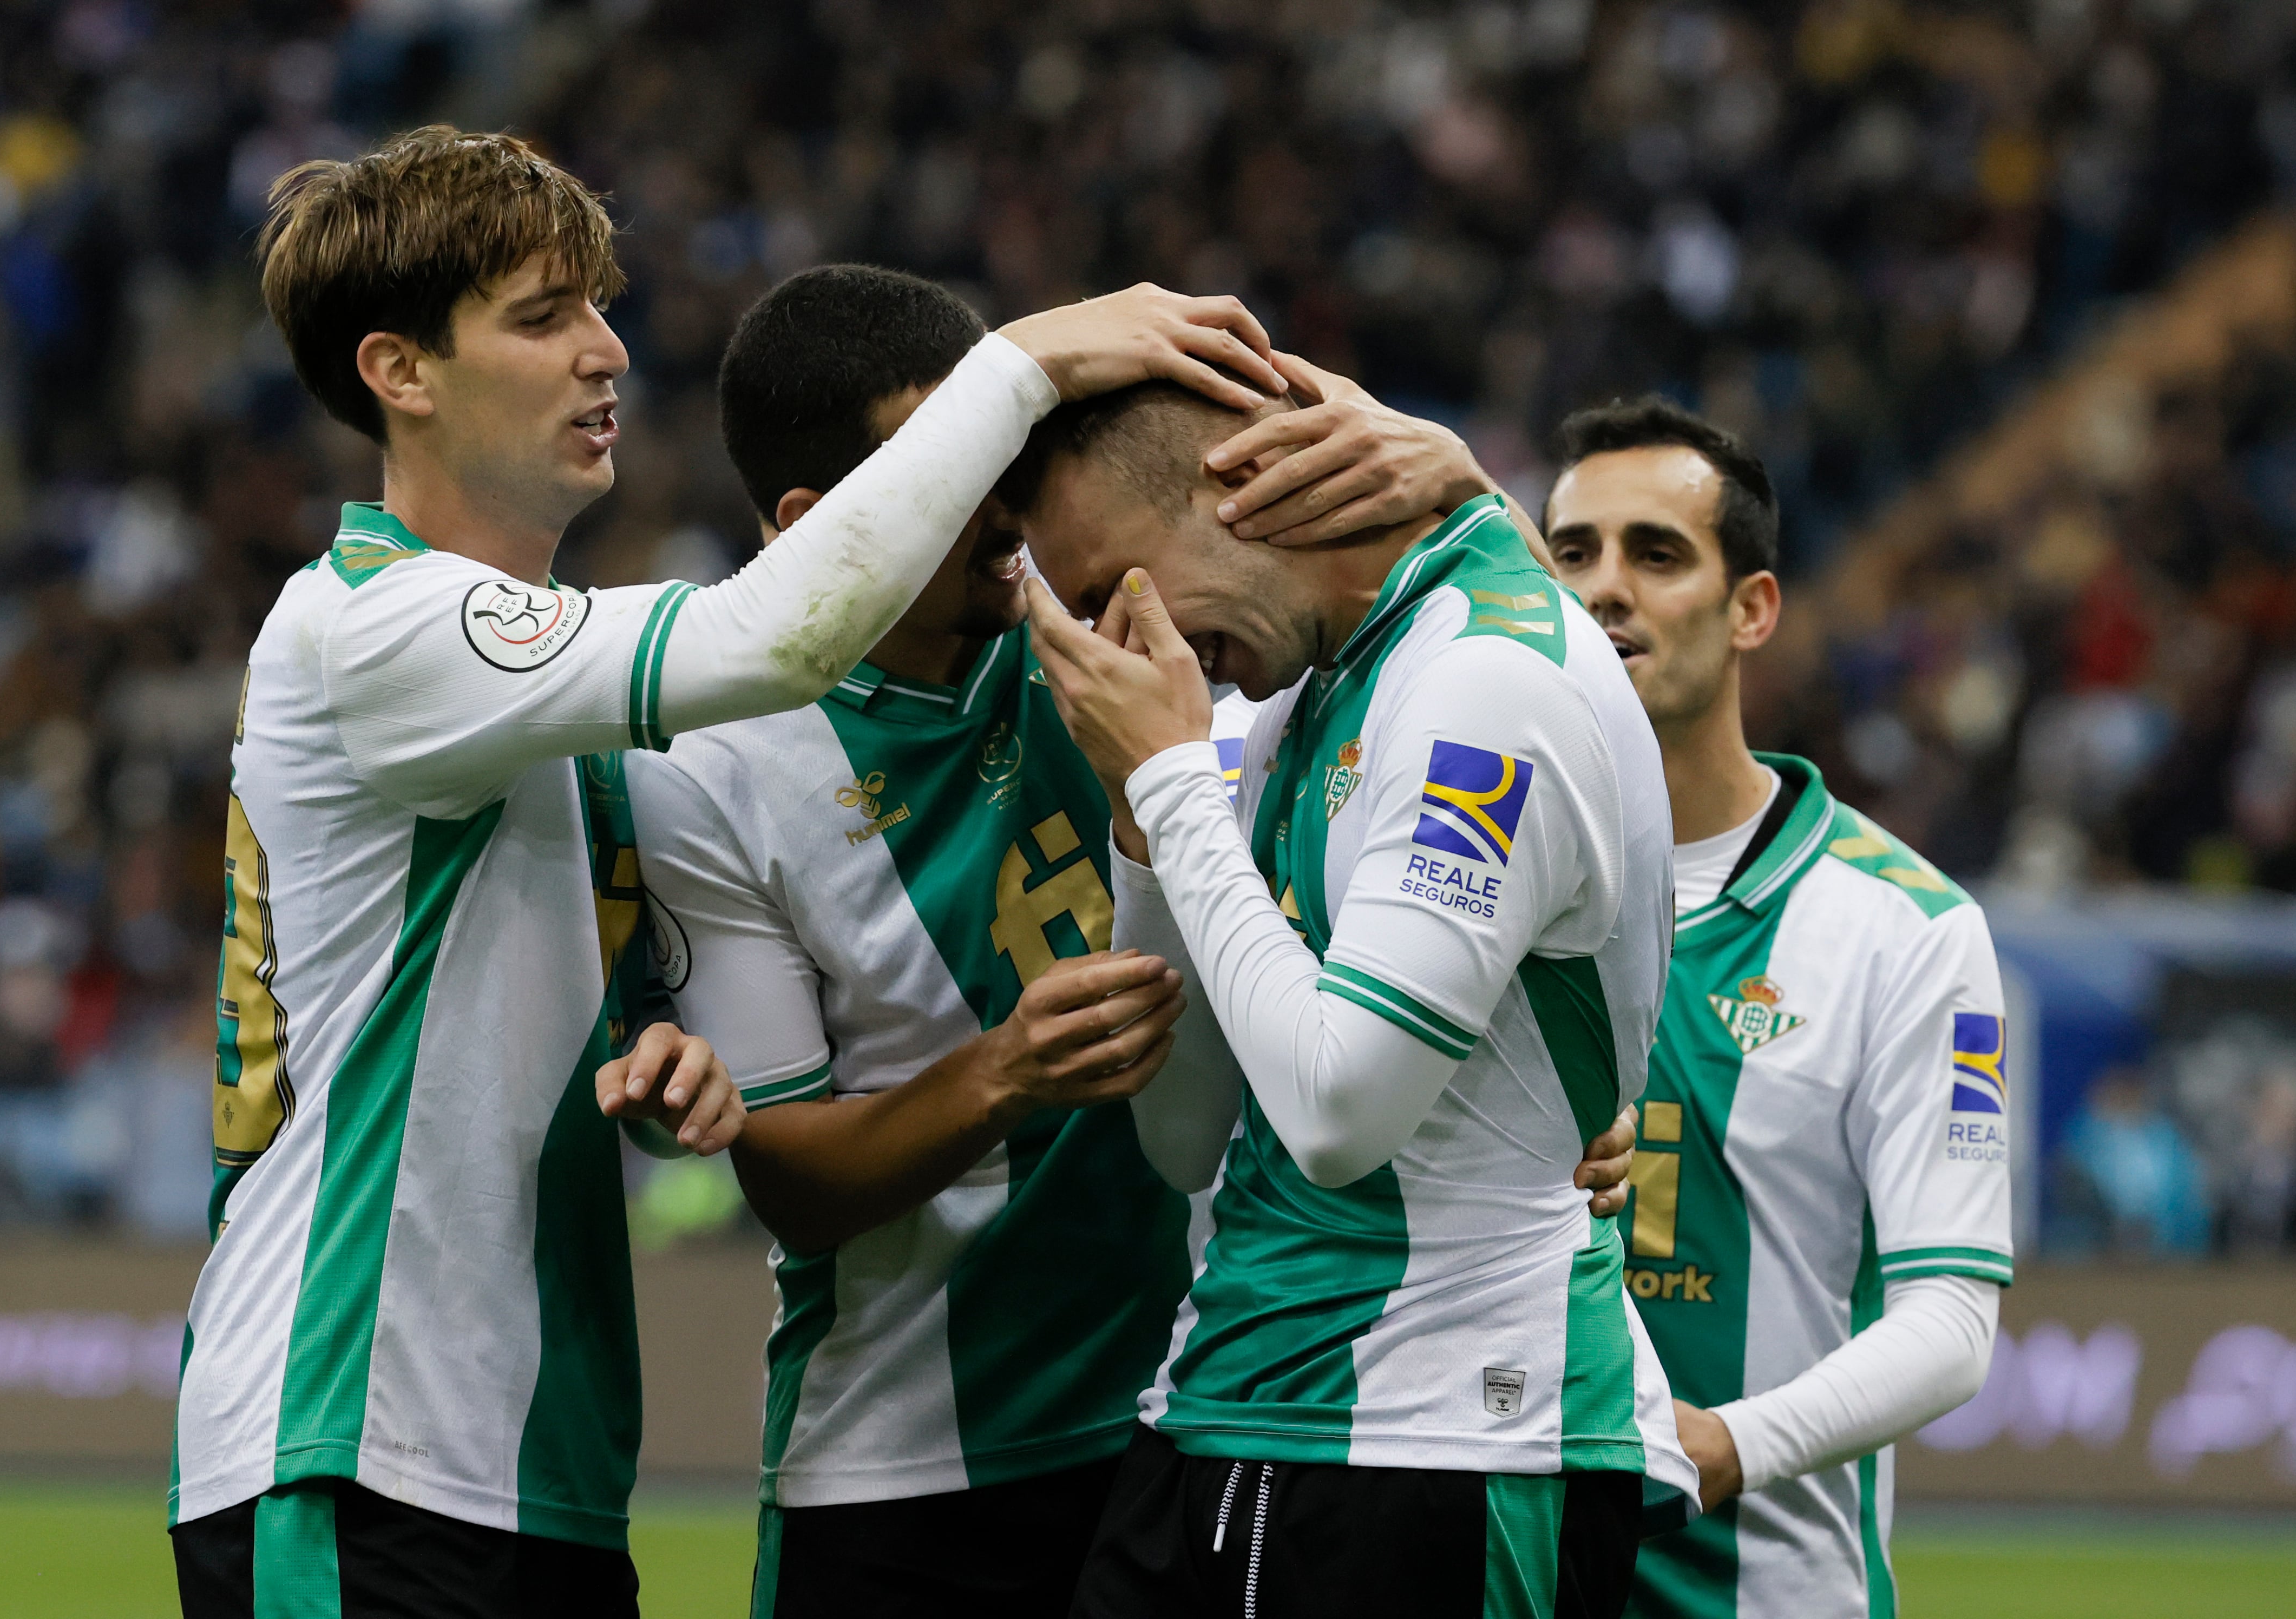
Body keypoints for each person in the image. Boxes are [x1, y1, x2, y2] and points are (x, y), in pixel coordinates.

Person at [168, 125, 1290, 1619]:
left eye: (598, 303)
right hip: (351, 1432)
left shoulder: (555, 692)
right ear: (401, 372)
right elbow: (776, 638)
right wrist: (1016, 365)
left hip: (521, 1453)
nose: (606, 348)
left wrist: (665, 1056)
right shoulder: (369, 628)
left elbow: (471, 995)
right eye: (543, 314)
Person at [629, 265, 1643, 1617]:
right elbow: (791, 1182)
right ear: (826, 522)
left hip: (1183, 1405)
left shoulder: (1145, 657)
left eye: (1005, 447)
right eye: (950, 462)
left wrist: (1467, 491)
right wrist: (999, 1075)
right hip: (901, 1452)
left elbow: (1482, 685)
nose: (1004, 512)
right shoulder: (713, 756)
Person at [1013, 377, 1697, 1618]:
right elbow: (1183, 1138)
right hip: (1231, 1395)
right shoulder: (1295, 697)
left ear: (1242, 491)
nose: (1120, 640)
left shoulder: (1489, 682)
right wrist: (1143, 825)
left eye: (1119, 580)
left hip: (1442, 1433)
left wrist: (1172, 783)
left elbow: (1338, 1115)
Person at [1540, 398, 2009, 1619]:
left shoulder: (1907, 927)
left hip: (1762, 1589)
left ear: (1752, 606)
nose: (1603, 591)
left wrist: (1723, 1443)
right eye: (1571, 554)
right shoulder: (1468, 889)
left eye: (1655, 553)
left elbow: (1953, 1318)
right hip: (1494, 1563)